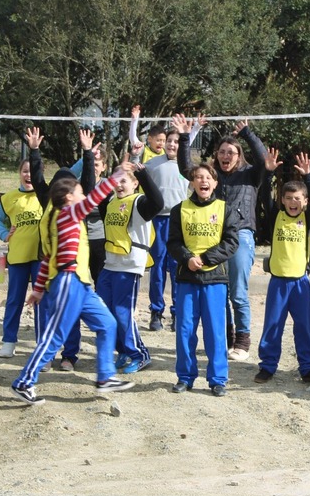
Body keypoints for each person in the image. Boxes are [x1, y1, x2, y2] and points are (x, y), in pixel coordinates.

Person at [10, 160, 137, 405]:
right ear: (69, 197)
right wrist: (117, 174)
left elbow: (48, 257)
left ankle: (105, 377)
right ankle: (24, 382)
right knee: (55, 337)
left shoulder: (66, 218)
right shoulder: (67, 213)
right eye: (79, 191)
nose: (84, 195)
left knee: (107, 324)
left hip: (81, 284)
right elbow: (93, 200)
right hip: (67, 282)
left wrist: (37, 289)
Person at [174, 113, 266, 361]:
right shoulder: (211, 176)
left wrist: (247, 134)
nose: (226, 156)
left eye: (231, 152)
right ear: (217, 154)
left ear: (239, 155)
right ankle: (225, 336)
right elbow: (186, 169)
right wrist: (185, 137)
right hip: (213, 237)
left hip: (242, 235)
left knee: (237, 291)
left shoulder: (250, 174)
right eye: (222, 152)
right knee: (219, 289)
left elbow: (264, 159)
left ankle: (243, 341)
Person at [166, 162, 240, 396]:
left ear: (215, 183)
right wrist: (187, 258)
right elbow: (173, 243)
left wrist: (207, 258)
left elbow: (231, 242)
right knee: (185, 329)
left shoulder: (225, 209)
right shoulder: (180, 210)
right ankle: (185, 377)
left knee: (215, 331)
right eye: (198, 177)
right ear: (192, 182)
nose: (203, 181)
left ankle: (218, 379)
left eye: (208, 177)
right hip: (187, 278)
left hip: (215, 280)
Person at [28, 126, 97, 372]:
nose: (61, 189)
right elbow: (37, 178)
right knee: (45, 313)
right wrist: (34, 150)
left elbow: (89, 182)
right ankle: (45, 356)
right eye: (57, 184)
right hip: (48, 266)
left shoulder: (79, 205)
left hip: (74, 271)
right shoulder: (46, 198)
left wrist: (88, 152)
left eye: (66, 186)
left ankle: (70, 356)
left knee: (72, 315)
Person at [254, 149, 310, 385]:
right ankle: (267, 366)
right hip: (278, 283)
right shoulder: (277, 217)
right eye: (288, 198)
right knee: (273, 325)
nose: (293, 202)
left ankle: (307, 367)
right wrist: (268, 172)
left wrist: (308, 176)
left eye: (298, 199)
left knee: (304, 326)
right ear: (282, 200)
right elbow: (264, 195)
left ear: (304, 202)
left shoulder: (306, 218)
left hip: (300, 283)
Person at [95, 162, 163, 374]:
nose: (119, 185)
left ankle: (140, 354)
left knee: (123, 312)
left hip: (129, 265)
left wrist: (142, 173)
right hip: (110, 264)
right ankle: (122, 350)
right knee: (105, 311)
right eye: (116, 181)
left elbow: (158, 202)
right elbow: (96, 192)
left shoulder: (139, 203)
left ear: (135, 184)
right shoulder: (111, 202)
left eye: (124, 180)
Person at [0, 153, 43, 358]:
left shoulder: (45, 195)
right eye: (25, 171)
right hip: (18, 257)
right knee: (14, 300)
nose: (29, 175)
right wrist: (4, 234)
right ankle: (9, 341)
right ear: (20, 174)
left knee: (42, 301)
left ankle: (42, 343)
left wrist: (86, 153)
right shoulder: (9, 198)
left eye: (32, 171)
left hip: (41, 258)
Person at [142, 127, 190, 332]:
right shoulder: (152, 164)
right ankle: (156, 311)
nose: (171, 144)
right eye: (169, 140)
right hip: (158, 221)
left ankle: (177, 312)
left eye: (176, 142)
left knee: (178, 268)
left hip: (179, 221)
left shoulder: (187, 167)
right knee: (158, 267)